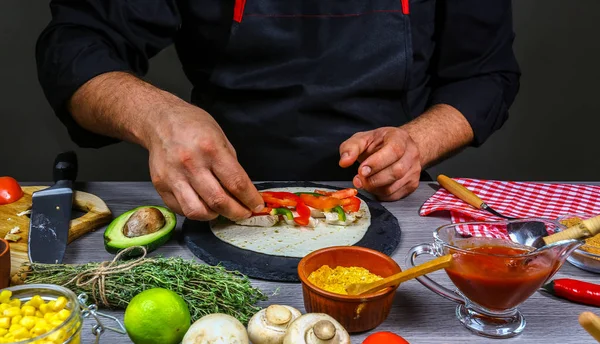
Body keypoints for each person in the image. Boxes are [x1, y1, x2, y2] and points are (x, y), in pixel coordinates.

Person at [36, 0, 520, 222]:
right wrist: (156, 115)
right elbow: (77, 45)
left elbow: (484, 74)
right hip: (220, 202)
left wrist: (417, 142)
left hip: (395, 205)